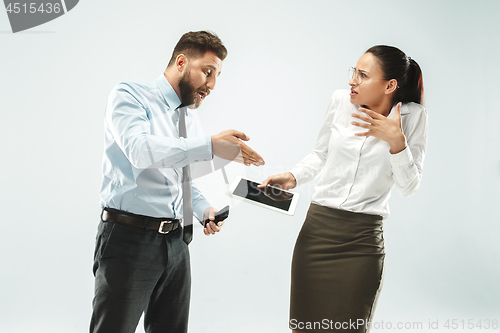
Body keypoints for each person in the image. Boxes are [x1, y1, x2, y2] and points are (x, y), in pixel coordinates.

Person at [90, 31, 264, 333]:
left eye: (217, 76)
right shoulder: (129, 95)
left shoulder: (188, 117)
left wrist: (204, 209)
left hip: (176, 244)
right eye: (207, 72)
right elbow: (140, 151)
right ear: (181, 62)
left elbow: (181, 180)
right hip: (128, 238)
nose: (211, 85)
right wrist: (210, 146)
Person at [259, 45, 427, 333]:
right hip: (316, 233)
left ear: (390, 85)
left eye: (362, 75)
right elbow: (320, 154)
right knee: (302, 328)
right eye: (354, 72)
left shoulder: (413, 117)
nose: (352, 81)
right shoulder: (339, 102)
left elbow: (409, 187)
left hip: (361, 241)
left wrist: (396, 141)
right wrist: (292, 176)